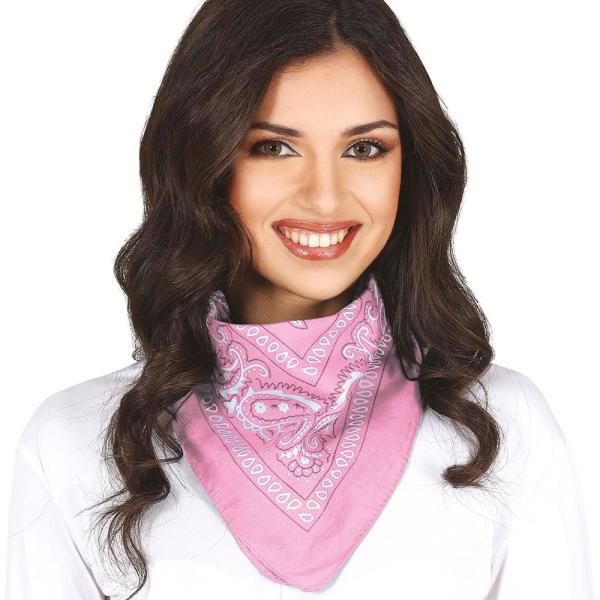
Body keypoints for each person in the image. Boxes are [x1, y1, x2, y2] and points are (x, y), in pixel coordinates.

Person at [5, 0, 595, 598]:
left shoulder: (503, 426)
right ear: (200, 162)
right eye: (273, 147)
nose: (324, 198)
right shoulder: (76, 441)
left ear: (410, 167)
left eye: (364, 148)